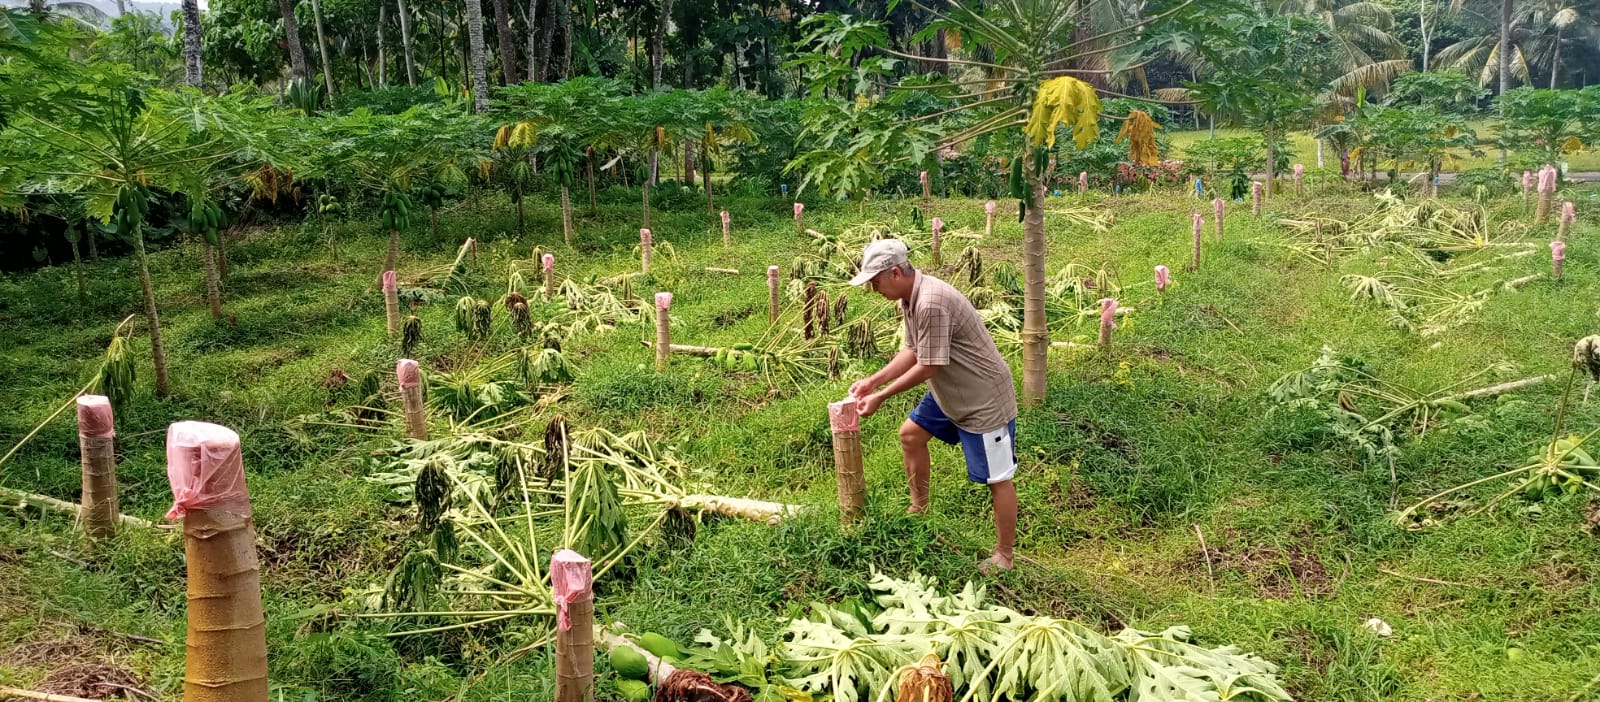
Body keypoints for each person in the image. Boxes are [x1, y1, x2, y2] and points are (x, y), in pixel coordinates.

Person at [846, 238, 1019, 572]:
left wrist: (881, 396)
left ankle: (1005, 556)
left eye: (875, 282)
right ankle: (919, 508)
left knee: (998, 478)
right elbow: (912, 350)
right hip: (949, 391)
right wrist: (872, 382)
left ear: (895, 272)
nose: (874, 290)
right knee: (910, 434)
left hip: (982, 398)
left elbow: (929, 365)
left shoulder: (930, 303)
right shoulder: (909, 300)